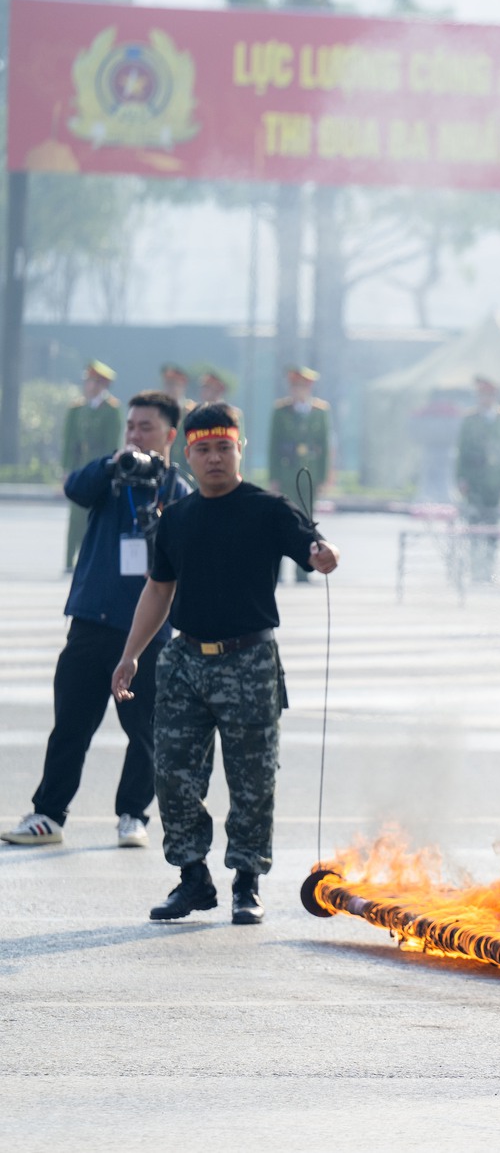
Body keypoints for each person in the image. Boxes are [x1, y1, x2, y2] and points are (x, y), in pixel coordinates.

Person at [115, 402, 341, 924]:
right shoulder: (178, 518)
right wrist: (130, 655)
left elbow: (309, 544)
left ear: (240, 449)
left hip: (249, 662)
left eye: (224, 447)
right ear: (188, 454)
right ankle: (193, 878)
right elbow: (158, 589)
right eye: (203, 449)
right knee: (172, 774)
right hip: (184, 662)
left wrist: (324, 552)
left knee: (253, 779)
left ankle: (247, 881)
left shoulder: (267, 509)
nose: (214, 458)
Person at [4, 392, 193, 849]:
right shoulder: (110, 475)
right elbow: (75, 488)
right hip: (93, 619)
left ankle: (133, 815)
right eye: (130, 426)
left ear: (169, 435)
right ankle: (48, 815)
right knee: (71, 726)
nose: (134, 434)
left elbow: (187, 552)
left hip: (149, 633)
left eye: (145, 427)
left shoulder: (176, 489)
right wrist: (113, 463)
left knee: (145, 732)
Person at [268, 365, 331, 582]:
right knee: (281, 520)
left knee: (307, 523)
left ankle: (303, 571)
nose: (298, 390)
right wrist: (273, 477)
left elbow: (324, 447)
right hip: (286, 474)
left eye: (302, 386)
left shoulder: (320, 412)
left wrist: (323, 477)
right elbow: (273, 446)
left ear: (309, 388)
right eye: (295, 386)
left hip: (310, 475)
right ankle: (277, 572)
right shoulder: (281, 411)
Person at [62, 361, 122, 571]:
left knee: (96, 516)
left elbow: (112, 444)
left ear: (104, 384)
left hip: (99, 468)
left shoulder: (111, 410)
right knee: (75, 515)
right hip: (79, 467)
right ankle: (69, 561)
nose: (91, 386)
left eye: (96, 382)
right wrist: (66, 469)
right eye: (88, 381)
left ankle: (91, 560)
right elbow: (68, 441)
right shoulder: (77, 409)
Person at [456, 376, 500, 583]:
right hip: (474, 481)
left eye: (489, 395)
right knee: (474, 525)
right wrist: (461, 479)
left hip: (496, 482)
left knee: (493, 527)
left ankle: (489, 569)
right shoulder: (469, 419)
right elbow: (461, 451)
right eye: (482, 395)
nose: (485, 398)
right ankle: (475, 569)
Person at [160, 364, 195, 471]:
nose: (170, 389)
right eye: (167, 384)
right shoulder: (159, 411)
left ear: (183, 386)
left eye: (174, 384)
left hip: (185, 470)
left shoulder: (192, 412)